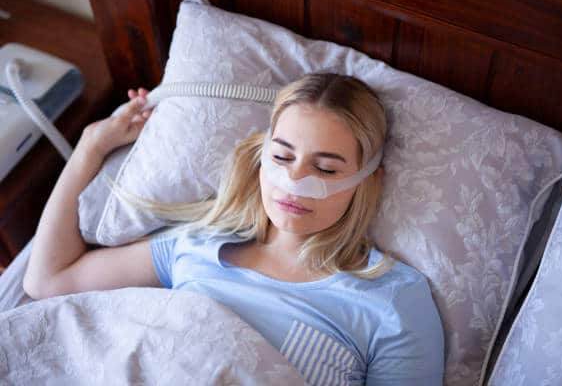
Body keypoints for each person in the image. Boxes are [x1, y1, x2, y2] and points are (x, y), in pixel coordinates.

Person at [23, 73, 444, 385]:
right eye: (281, 157)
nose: (294, 181)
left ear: (369, 180)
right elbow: (48, 280)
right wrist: (91, 146)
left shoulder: (392, 299)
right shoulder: (195, 246)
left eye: (325, 168)